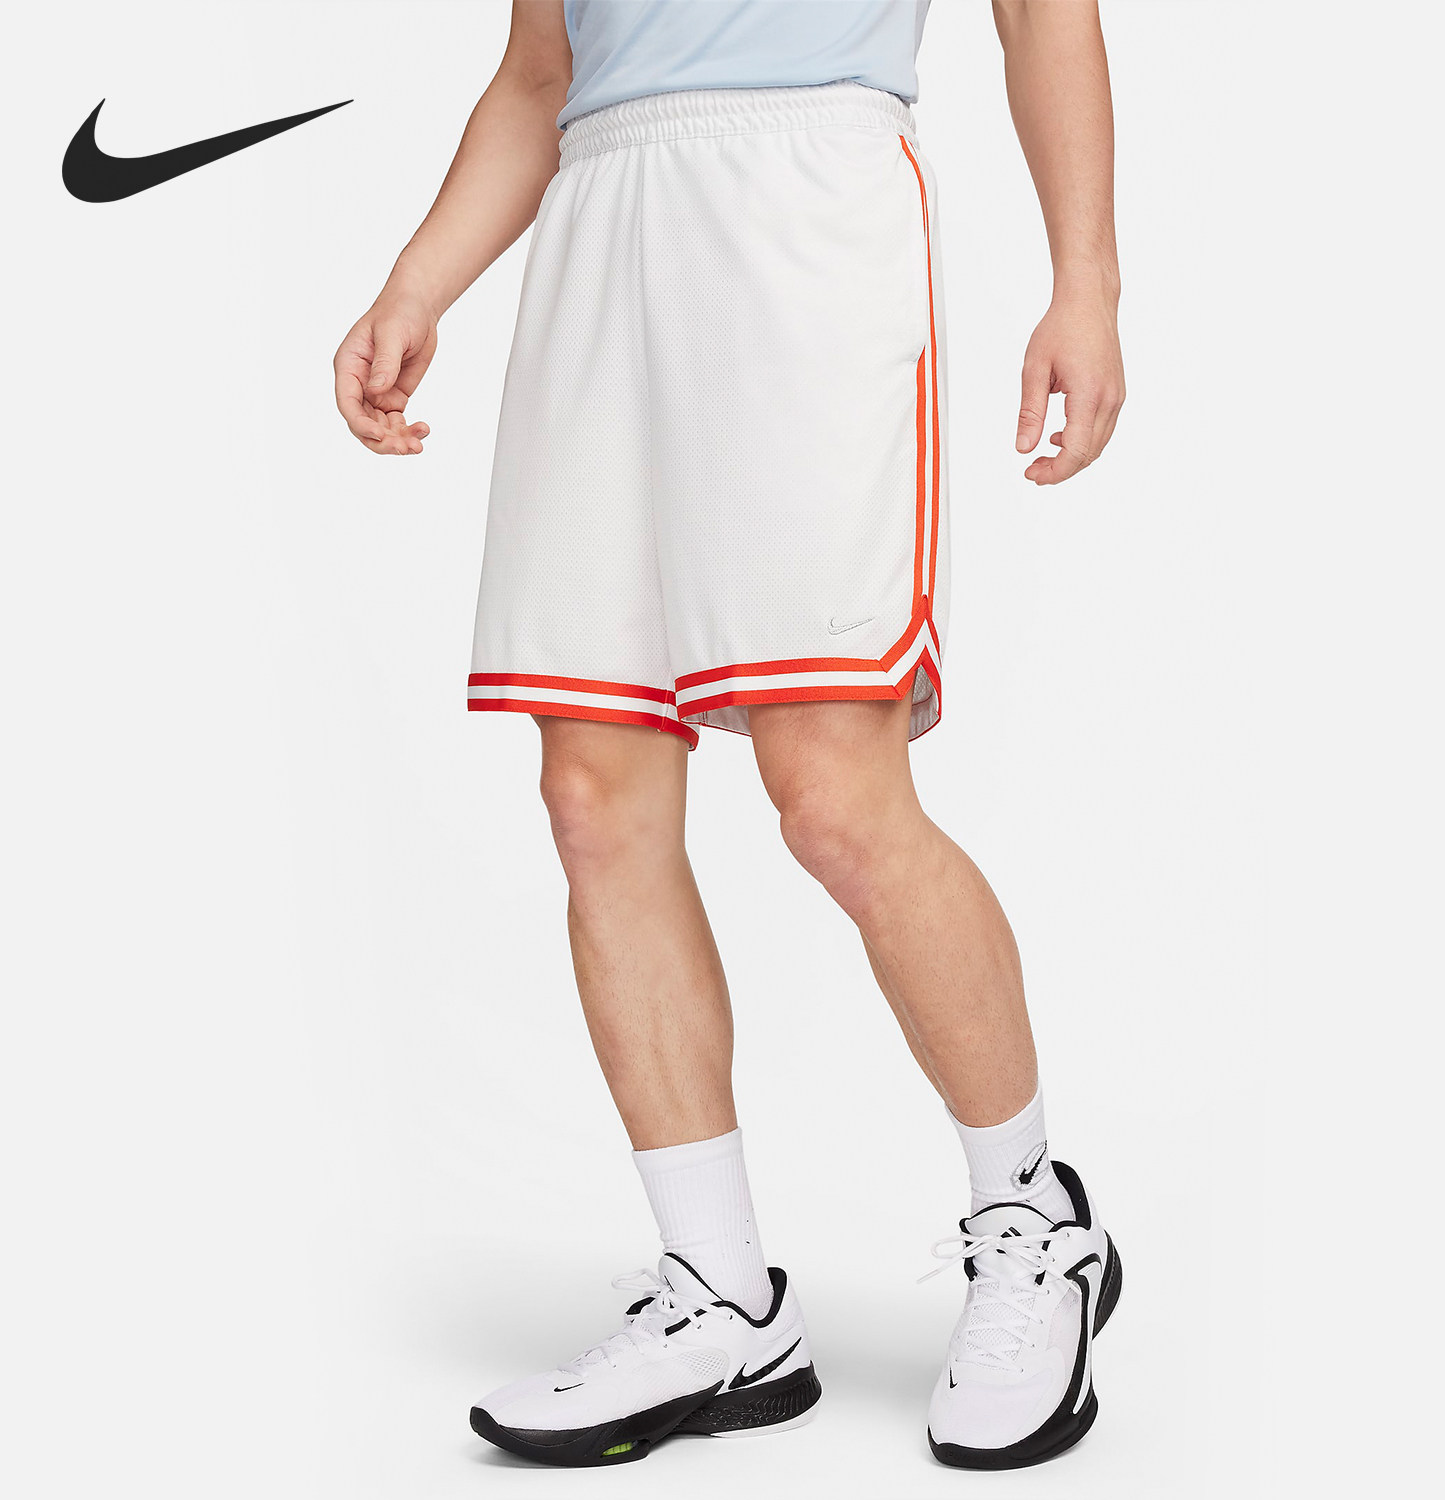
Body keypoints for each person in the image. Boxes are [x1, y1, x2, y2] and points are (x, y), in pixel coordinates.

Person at [334, 0, 1125, 1472]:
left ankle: (1031, 1219)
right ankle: (722, 1293)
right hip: (603, 217)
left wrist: (1086, 281)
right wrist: (415, 284)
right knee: (594, 795)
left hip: (806, 202)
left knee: (834, 794)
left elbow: (1040, 12)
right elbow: (540, 71)